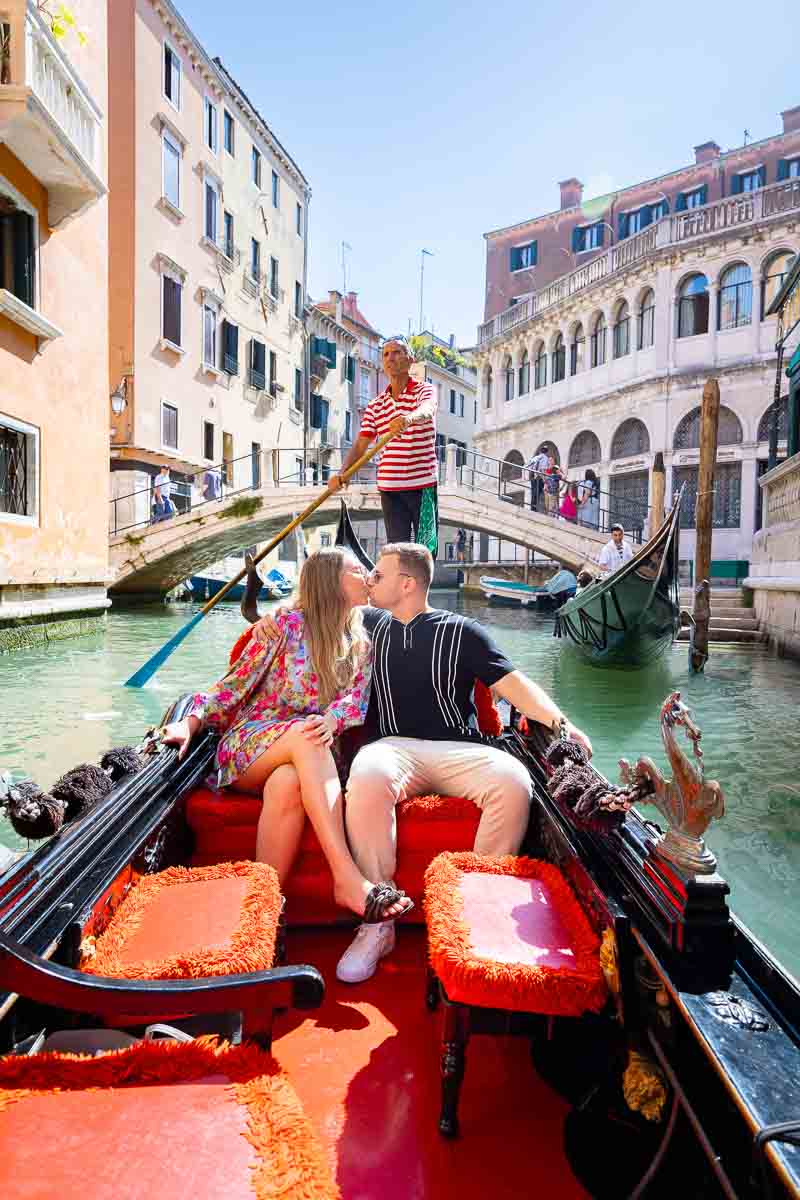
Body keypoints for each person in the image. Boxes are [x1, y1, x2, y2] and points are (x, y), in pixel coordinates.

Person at [253, 543, 592, 984]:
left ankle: (477, 911)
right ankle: (378, 922)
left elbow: (513, 686)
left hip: (461, 750)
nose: (370, 580)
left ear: (407, 583)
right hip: (392, 748)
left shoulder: (466, 632)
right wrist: (270, 618)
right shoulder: (366, 625)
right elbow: (317, 602)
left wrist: (561, 723)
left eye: (379, 574)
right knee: (368, 773)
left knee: (514, 779)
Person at [160, 547, 412, 925]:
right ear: (331, 582)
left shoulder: (361, 641)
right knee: (305, 736)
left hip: (312, 754)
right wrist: (191, 721)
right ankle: (346, 876)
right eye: (356, 570)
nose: (367, 576)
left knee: (288, 782)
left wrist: (332, 719)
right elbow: (232, 688)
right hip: (252, 746)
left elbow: (355, 702)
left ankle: (262, 916)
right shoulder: (286, 626)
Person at [328, 336, 438, 554]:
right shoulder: (375, 405)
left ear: (410, 360)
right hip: (390, 488)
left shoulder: (424, 390)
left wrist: (409, 418)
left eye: (397, 352)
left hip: (422, 484)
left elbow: (428, 408)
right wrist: (342, 474)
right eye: (386, 354)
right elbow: (361, 445)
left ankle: (422, 587)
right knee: (398, 552)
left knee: (427, 551)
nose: (390, 358)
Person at [525, 446, 550, 512]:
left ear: (540, 451)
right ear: (547, 452)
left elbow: (528, 465)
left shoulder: (536, 457)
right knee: (538, 493)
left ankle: (532, 507)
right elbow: (542, 470)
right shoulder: (545, 458)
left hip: (533, 476)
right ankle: (535, 508)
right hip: (539, 477)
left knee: (533, 492)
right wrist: (545, 480)